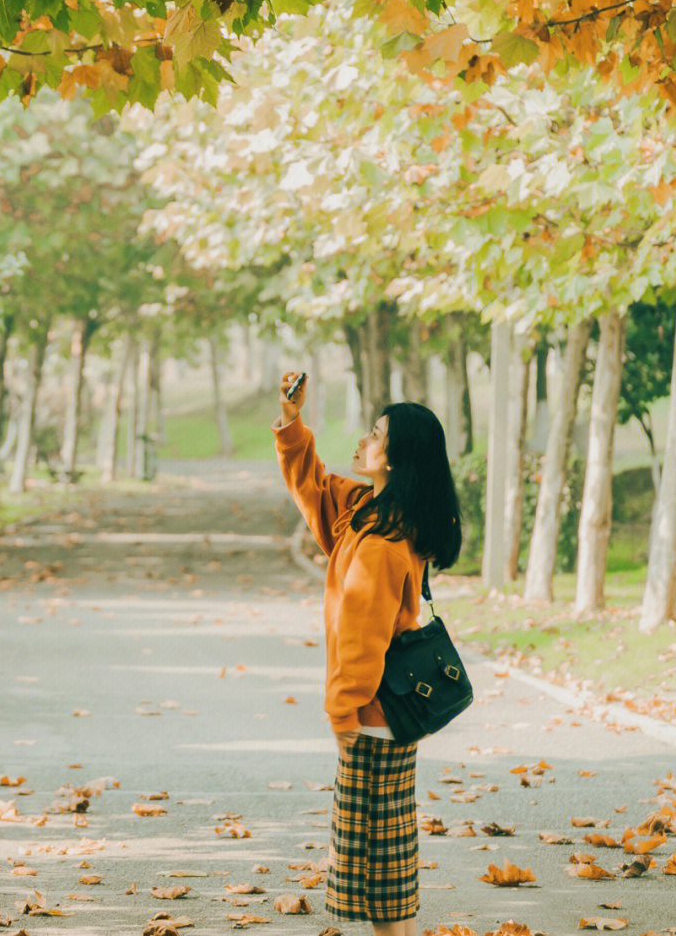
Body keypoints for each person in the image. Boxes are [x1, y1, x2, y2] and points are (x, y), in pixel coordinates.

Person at [274, 371, 462, 936]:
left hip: (370, 722)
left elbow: (361, 639)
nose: (364, 441)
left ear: (395, 458)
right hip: (385, 718)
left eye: (376, 434)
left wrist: (342, 715)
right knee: (390, 880)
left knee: (379, 886)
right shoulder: (369, 513)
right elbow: (313, 487)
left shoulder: (381, 543)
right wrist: (291, 419)